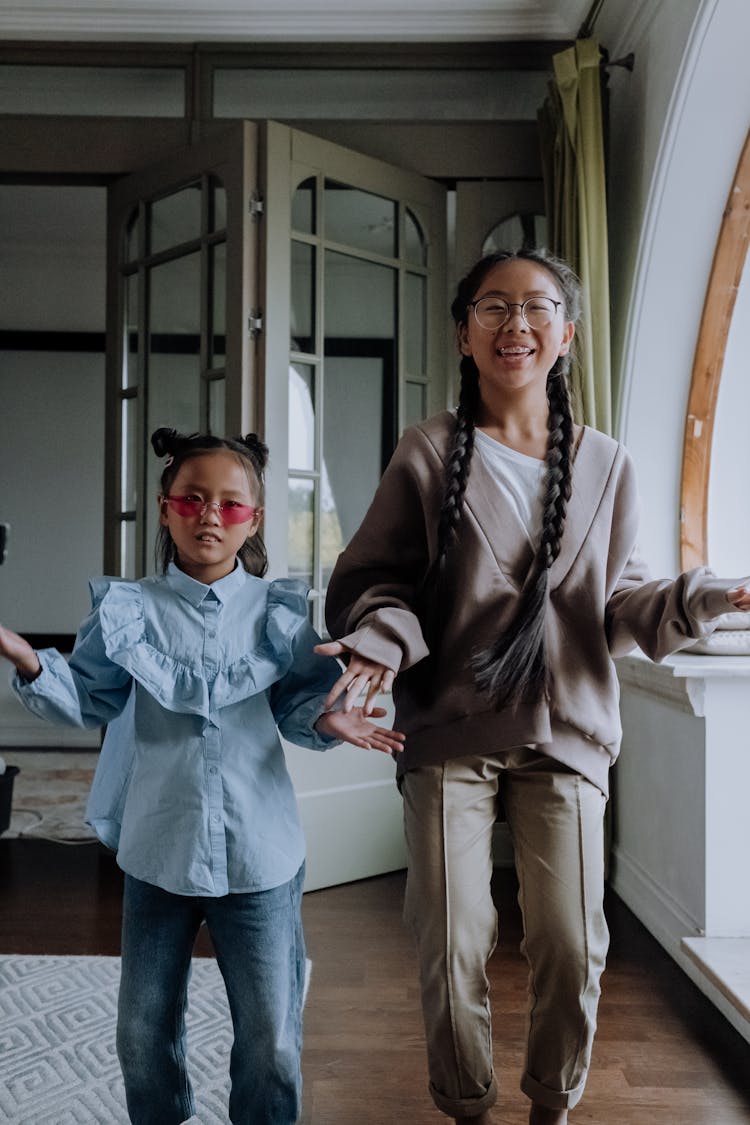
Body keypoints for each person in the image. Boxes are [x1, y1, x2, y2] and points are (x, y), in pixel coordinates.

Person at [316, 249, 750, 1125]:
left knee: (569, 941)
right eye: (493, 307)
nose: (516, 323)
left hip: (567, 734)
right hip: (448, 730)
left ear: (567, 335)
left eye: (537, 307)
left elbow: (622, 605)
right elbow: (377, 580)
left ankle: (552, 1104)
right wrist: (380, 646)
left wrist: (712, 595)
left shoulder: (609, 464)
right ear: (464, 333)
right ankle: (466, 1104)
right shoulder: (430, 452)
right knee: (453, 937)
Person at [0, 427, 404, 1125]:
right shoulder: (128, 611)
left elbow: (303, 699)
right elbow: (90, 694)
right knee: (140, 1035)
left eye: (229, 504)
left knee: (272, 1039)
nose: (209, 515)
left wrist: (325, 719)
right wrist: (22, 653)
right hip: (158, 850)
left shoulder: (280, 614)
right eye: (191, 500)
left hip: (261, 856)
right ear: (165, 508)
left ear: (253, 519)